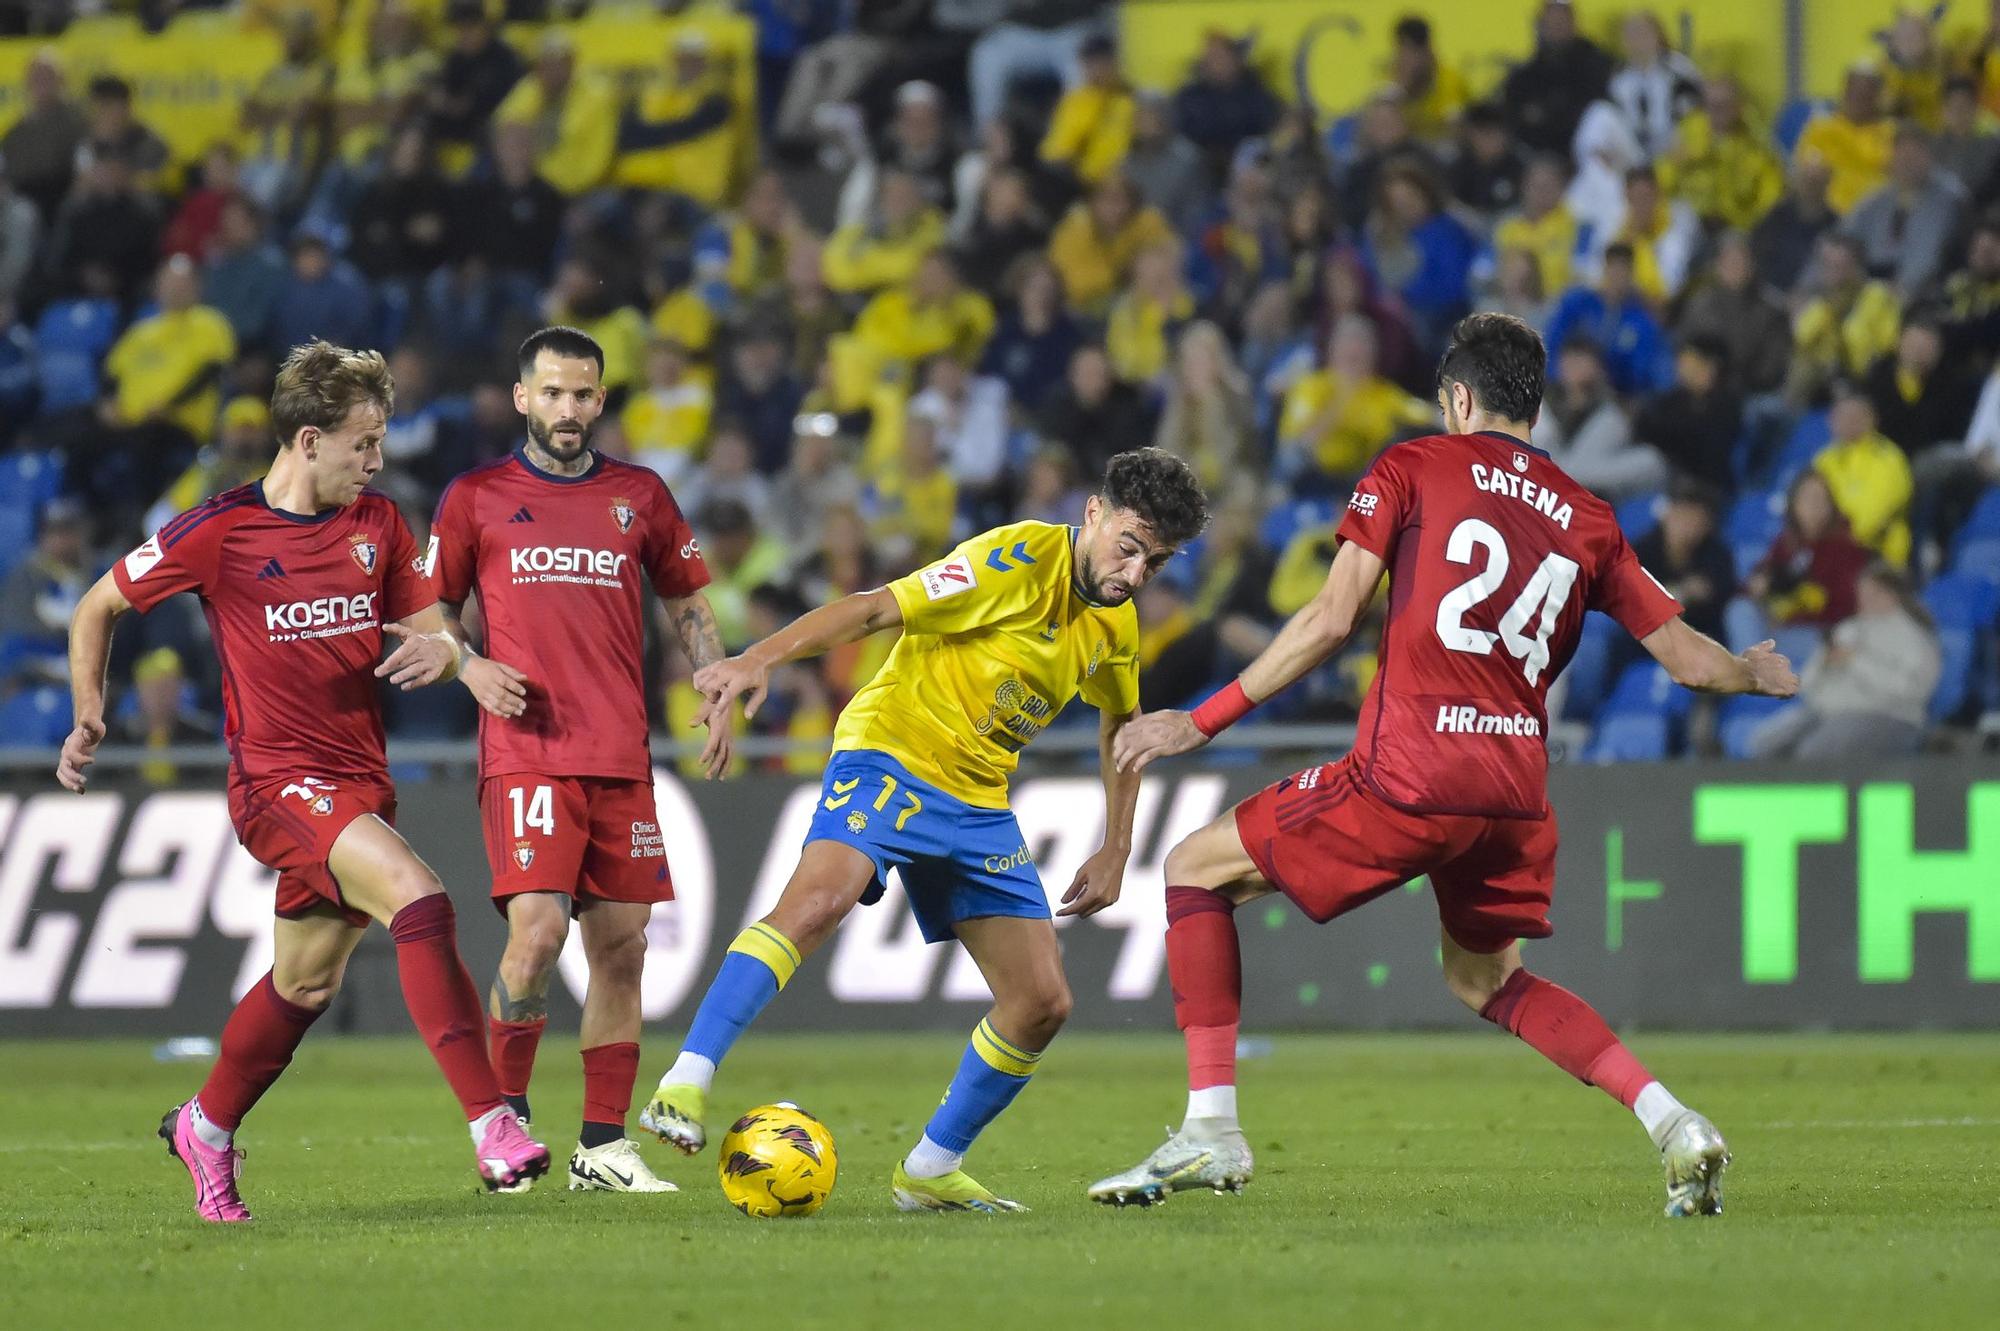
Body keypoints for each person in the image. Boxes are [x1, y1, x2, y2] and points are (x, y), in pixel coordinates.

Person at [1086, 313, 1798, 1217]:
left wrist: (1204, 718)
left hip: (1409, 773)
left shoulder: (1415, 466)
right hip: (1513, 795)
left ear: (1459, 398)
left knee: (1193, 867)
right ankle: (1674, 1121)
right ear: (1532, 405)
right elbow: (1692, 662)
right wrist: (1750, 671)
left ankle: (1211, 1130)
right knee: (1484, 978)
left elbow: (1331, 618)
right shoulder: (1589, 517)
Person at [639, 448, 1210, 1212]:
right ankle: (686, 1079)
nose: (1135, 574)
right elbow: (877, 606)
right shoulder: (1012, 559)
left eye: (1157, 562)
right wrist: (759, 656)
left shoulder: (1115, 622)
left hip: (976, 798)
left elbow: (1120, 723)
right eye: (1129, 547)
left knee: (1042, 1000)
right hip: (893, 753)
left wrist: (1117, 844)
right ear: (1094, 514)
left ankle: (930, 1168)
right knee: (818, 902)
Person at [58, 341, 550, 1222]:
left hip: (360, 782)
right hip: (275, 782)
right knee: (421, 897)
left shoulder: (380, 526)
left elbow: (428, 632)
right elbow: (99, 604)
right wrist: (89, 710)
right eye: (364, 442)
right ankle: (493, 1123)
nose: (377, 459)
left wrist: (455, 657)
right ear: (310, 439)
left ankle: (205, 1127)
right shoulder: (219, 531)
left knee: (305, 986)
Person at [429, 327, 726, 1194]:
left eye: (584, 394)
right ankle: (507, 1125)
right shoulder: (477, 495)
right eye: (552, 393)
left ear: (601, 400)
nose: (569, 409)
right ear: (522, 397)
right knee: (537, 935)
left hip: (620, 755)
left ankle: (602, 1146)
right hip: (528, 753)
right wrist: (471, 664)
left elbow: (688, 601)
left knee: (625, 949)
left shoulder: (640, 495)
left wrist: (715, 689)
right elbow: (426, 610)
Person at [1748, 562, 1940, 760]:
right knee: (1764, 743)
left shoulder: (1913, 638)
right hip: (1827, 711)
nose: (1864, 598)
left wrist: (1855, 661)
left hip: (1885, 716)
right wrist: (1825, 663)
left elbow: (1911, 692)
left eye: (1872, 592)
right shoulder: (1848, 629)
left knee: (1813, 753)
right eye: (1862, 592)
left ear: (1892, 594)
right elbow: (1806, 683)